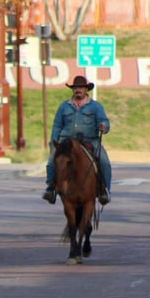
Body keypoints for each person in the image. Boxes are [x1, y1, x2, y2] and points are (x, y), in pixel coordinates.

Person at [42, 75, 112, 205]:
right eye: (75, 88)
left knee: (104, 162)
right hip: (66, 143)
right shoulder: (64, 106)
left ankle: (104, 191)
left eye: (81, 87)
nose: (78, 90)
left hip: (90, 140)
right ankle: (50, 189)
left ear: (86, 90)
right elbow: (57, 125)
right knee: (52, 161)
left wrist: (103, 126)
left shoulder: (96, 106)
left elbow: (104, 121)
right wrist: (53, 143)